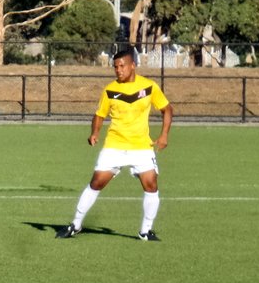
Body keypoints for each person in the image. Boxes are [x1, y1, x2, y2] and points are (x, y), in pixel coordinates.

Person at [58, 47, 173, 241]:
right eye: (115, 67)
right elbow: (99, 114)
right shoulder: (110, 89)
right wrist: (94, 132)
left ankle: (145, 231)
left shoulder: (149, 86)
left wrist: (164, 135)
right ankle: (75, 225)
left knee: (151, 185)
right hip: (114, 146)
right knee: (96, 183)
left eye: (122, 66)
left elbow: (167, 109)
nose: (118, 70)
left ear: (133, 66)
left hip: (141, 147)